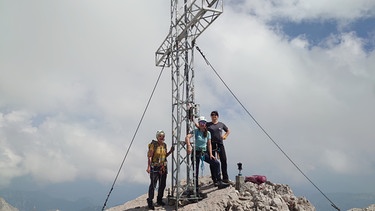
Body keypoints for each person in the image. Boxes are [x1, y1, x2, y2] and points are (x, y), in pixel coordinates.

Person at [185, 116, 229, 195]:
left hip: (204, 152)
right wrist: (188, 145)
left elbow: (209, 144)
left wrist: (211, 154)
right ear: (199, 123)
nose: (202, 124)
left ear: (205, 124)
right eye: (201, 123)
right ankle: (196, 188)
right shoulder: (196, 131)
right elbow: (187, 137)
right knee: (196, 170)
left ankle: (219, 181)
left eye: (204, 123)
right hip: (196, 152)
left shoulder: (208, 133)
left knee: (216, 163)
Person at [146, 130, 174, 210]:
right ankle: (150, 201)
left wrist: (170, 152)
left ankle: (159, 199)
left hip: (163, 167)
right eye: (160, 136)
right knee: (153, 184)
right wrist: (148, 167)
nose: (162, 138)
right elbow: (150, 156)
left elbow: (165, 156)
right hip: (155, 167)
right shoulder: (153, 145)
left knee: (162, 184)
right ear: (157, 137)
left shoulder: (164, 145)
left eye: (163, 136)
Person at [206, 110, 230, 183]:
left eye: (215, 115)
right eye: (212, 115)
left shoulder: (221, 124)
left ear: (217, 116)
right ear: (211, 116)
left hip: (220, 143)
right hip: (211, 144)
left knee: (223, 159)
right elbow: (201, 127)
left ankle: (225, 177)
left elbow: (228, 130)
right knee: (212, 161)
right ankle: (215, 178)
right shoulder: (208, 124)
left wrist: (225, 136)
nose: (214, 116)